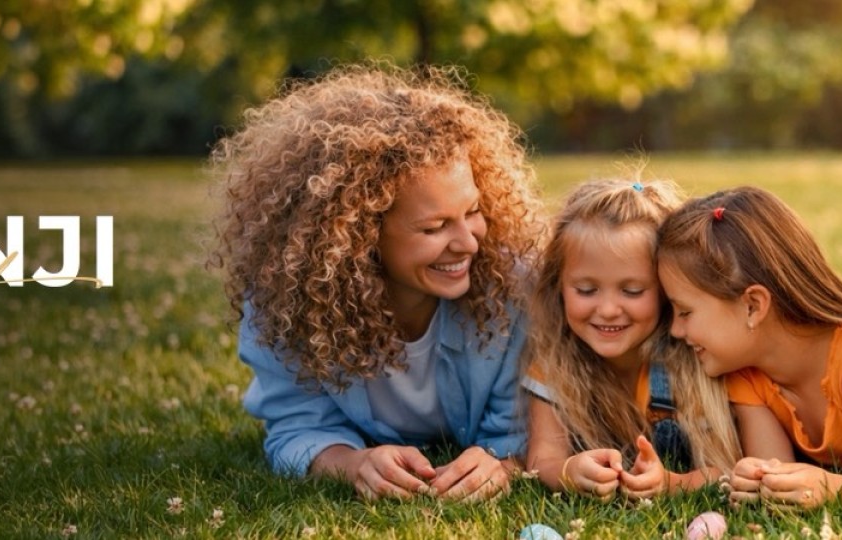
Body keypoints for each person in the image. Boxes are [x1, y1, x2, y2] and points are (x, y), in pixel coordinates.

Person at [212, 65, 545, 501]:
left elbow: (525, 429)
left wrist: (501, 462)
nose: (468, 242)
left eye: (472, 211)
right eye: (434, 228)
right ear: (359, 233)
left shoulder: (513, 288)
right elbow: (297, 428)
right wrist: (352, 463)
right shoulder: (289, 301)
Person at [656, 186, 842, 509]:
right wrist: (757, 481)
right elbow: (773, 478)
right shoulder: (747, 370)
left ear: (753, 306)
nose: (675, 330)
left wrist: (830, 488)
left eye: (684, 312)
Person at [521, 177, 742, 500]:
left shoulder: (692, 363)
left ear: (667, 290)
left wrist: (670, 483)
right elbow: (542, 461)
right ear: (559, 286)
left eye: (632, 291)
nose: (608, 310)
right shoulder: (554, 366)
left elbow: (728, 466)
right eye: (586, 290)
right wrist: (570, 471)